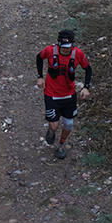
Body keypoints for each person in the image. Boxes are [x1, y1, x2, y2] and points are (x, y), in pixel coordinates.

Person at [36, 30, 92, 159]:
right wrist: (40, 77)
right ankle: (51, 129)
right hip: (51, 94)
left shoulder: (77, 54)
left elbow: (88, 69)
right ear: (58, 44)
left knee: (69, 124)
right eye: (63, 47)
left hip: (69, 95)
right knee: (54, 125)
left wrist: (86, 87)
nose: (66, 50)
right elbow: (39, 57)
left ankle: (61, 144)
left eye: (68, 47)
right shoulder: (50, 51)